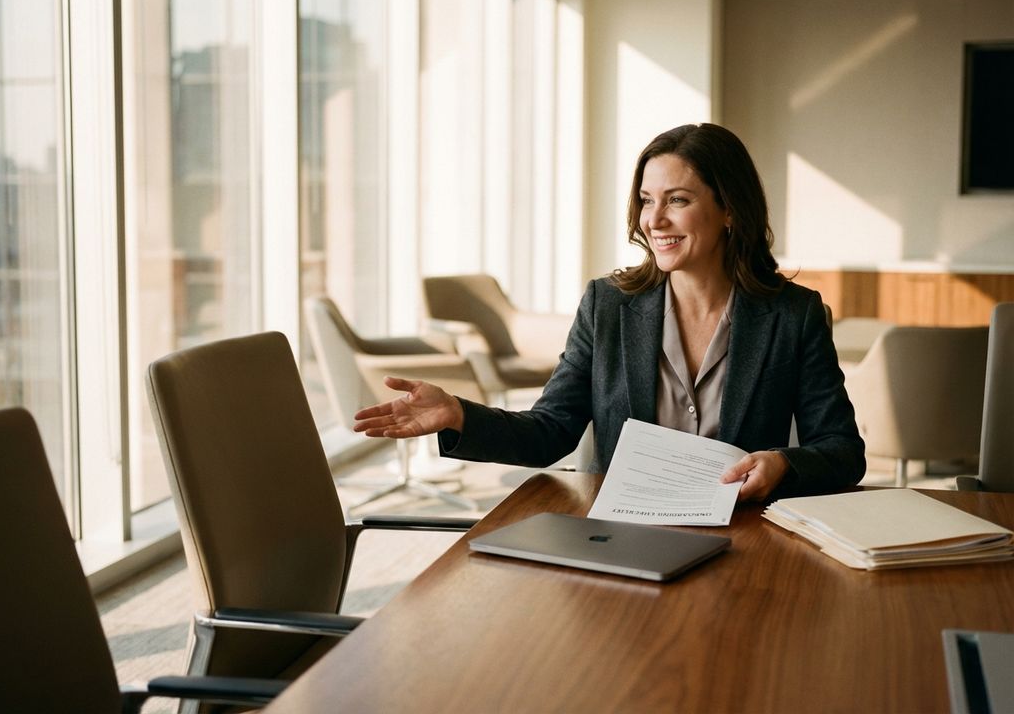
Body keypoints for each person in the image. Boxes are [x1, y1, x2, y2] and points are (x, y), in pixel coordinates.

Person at [354, 123, 865, 501]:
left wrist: (782, 464)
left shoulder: (793, 316)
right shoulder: (608, 305)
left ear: (729, 208)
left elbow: (842, 450)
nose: (654, 219)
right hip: (622, 530)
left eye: (678, 200)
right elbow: (550, 429)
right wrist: (459, 414)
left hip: (746, 535)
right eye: (646, 200)